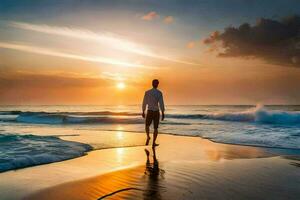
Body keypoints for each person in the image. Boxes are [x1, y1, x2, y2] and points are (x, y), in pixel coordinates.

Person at [142, 79, 165, 147]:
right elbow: (161, 104)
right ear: (157, 84)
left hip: (149, 111)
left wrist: (143, 111)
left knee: (147, 125)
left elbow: (144, 102)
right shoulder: (159, 93)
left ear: (152, 84)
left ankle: (148, 136)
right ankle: (153, 142)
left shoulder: (147, 92)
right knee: (155, 128)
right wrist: (163, 113)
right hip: (156, 112)